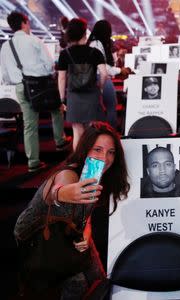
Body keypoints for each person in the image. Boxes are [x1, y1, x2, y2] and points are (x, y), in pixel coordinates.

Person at [14, 122, 130, 299]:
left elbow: (85, 211)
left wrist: (87, 229)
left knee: (99, 278)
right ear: (85, 148)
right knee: (78, 283)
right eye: (97, 149)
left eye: (111, 152)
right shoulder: (69, 174)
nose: (104, 158)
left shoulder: (97, 175)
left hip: (71, 231)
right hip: (37, 234)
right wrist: (61, 192)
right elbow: (57, 190)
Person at [0, 11, 69, 172]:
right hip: (41, 84)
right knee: (56, 108)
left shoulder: (5, 46)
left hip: (20, 87)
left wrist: (18, 80)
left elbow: (4, 75)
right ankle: (60, 141)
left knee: (29, 125)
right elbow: (49, 65)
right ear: (24, 23)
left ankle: (33, 162)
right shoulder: (34, 41)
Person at [57, 18, 108, 151]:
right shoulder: (95, 52)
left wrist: (61, 99)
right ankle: (92, 164)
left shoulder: (64, 54)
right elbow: (104, 74)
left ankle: (78, 163)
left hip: (74, 97)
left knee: (77, 132)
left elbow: (61, 78)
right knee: (92, 131)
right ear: (84, 33)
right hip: (92, 94)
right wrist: (100, 88)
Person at [88, 20, 131, 130]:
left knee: (109, 105)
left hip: (102, 77)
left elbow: (110, 63)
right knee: (110, 105)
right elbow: (103, 67)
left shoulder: (100, 43)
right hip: (100, 77)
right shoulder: (96, 44)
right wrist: (119, 70)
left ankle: (107, 130)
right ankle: (109, 131)